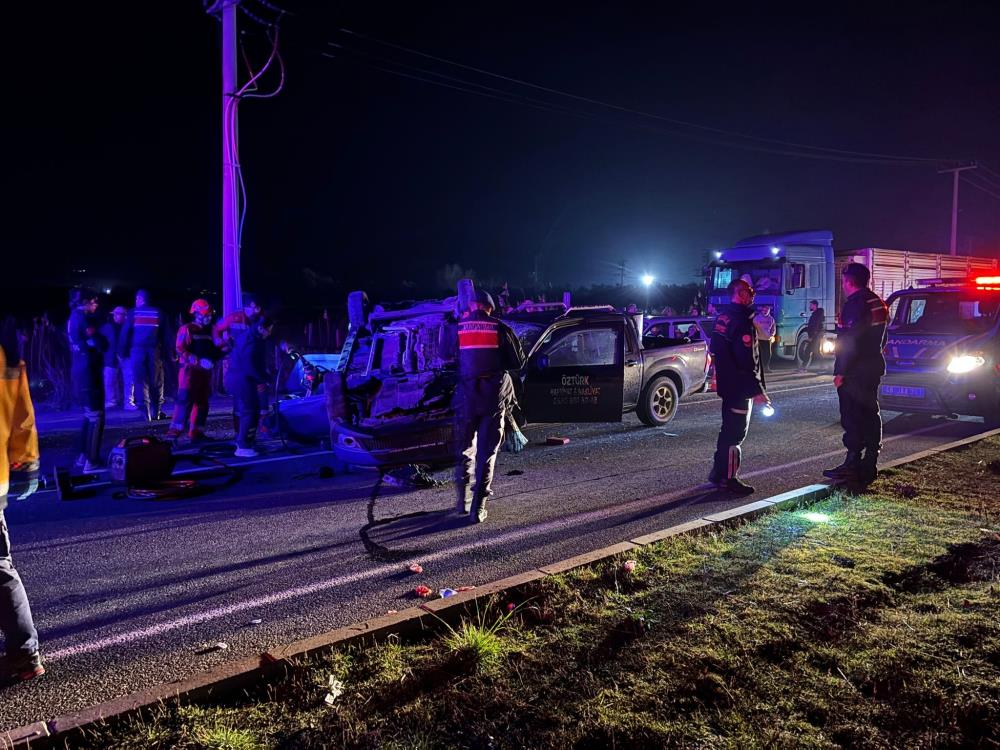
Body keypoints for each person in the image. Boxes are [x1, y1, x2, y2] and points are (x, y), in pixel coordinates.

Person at [455, 289, 525, 523]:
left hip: (467, 398)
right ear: (490, 308)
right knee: (487, 452)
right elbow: (518, 361)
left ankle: (462, 502)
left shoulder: (458, 328)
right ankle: (478, 508)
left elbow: (448, 357)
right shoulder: (499, 327)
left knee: (465, 449)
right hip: (492, 398)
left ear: (471, 306)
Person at [0, 320, 44, 687]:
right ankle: (24, 653)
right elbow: (22, 412)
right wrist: (26, 459)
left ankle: (24, 652)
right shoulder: (6, 347)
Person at [823, 263, 888, 486]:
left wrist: (841, 371)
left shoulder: (856, 304)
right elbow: (881, 339)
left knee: (852, 416)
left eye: (843, 281)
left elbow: (849, 341)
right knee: (871, 413)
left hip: (855, 371)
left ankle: (852, 464)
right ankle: (869, 463)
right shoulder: (877, 302)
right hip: (872, 367)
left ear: (848, 282)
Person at [708, 279, 771, 495]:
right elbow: (747, 360)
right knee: (735, 433)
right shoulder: (740, 320)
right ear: (739, 294)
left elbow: (716, 349)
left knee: (727, 429)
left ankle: (718, 472)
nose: (752, 295)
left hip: (728, 384)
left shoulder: (723, 317)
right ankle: (729, 478)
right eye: (748, 291)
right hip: (740, 387)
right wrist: (757, 391)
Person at [214, 293, 264, 448]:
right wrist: (220, 342)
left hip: (251, 364)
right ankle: (240, 435)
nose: (256, 310)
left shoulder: (258, 322)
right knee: (240, 401)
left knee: (258, 399)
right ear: (245, 307)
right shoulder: (234, 319)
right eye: (253, 307)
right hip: (237, 364)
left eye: (258, 307)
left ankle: (253, 433)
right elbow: (216, 329)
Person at [167, 300, 220, 442]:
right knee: (184, 402)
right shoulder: (187, 328)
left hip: (204, 373)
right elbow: (179, 348)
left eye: (209, 314)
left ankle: (196, 433)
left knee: (202, 403)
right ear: (196, 314)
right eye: (205, 314)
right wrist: (196, 360)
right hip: (189, 373)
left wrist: (222, 351)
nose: (208, 317)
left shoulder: (209, 331)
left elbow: (213, 350)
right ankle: (172, 435)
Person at [222, 311, 272, 458]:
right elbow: (249, 364)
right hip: (241, 379)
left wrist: (264, 375)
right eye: (269, 329)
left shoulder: (252, 337)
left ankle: (244, 442)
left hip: (241, 378)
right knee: (250, 411)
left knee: (250, 410)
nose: (270, 333)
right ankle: (243, 446)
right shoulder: (250, 340)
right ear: (262, 328)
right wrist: (263, 378)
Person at [67, 289, 107, 471]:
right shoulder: (85, 319)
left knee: (88, 415)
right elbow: (100, 343)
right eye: (93, 301)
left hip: (78, 370)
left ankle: (83, 456)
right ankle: (92, 461)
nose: (96, 305)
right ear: (84, 302)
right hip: (89, 372)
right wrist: (100, 342)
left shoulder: (71, 318)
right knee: (97, 417)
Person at [123, 289, 168, 421]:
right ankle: (157, 412)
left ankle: (145, 413)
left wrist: (122, 352)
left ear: (139, 299)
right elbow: (166, 335)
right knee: (157, 381)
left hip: (137, 351)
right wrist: (168, 352)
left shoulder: (132, 313)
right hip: (154, 351)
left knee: (140, 381)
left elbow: (125, 333)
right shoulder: (159, 313)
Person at [99, 306, 128, 409]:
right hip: (110, 357)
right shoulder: (107, 327)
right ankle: (111, 400)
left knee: (127, 381)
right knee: (109, 380)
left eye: (119, 314)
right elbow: (100, 340)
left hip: (125, 357)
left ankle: (126, 401)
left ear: (125, 316)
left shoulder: (127, 327)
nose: (116, 316)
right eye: (115, 314)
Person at [798, 299, 826, 372]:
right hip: (814, 335)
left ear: (814, 305)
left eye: (811, 305)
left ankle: (804, 367)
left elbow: (816, 325)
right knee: (812, 351)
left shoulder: (818, 314)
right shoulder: (815, 314)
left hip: (816, 336)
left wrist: (812, 336)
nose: (809, 306)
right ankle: (805, 367)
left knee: (812, 351)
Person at [753, 304, 777, 373]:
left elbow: (773, 328)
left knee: (768, 354)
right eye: (764, 310)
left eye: (767, 310)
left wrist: (772, 335)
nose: (765, 311)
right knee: (759, 354)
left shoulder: (771, 319)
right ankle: (759, 368)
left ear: (769, 311)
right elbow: (753, 329)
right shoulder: (756, 319)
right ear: (762, 311)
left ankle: (766, 367)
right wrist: (755, 336)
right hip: (759, 339)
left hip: (767, 339)